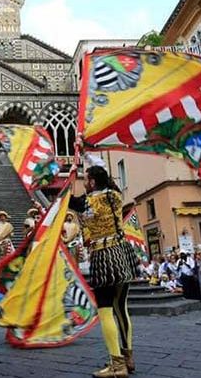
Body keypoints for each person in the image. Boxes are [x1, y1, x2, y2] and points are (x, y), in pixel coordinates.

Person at [69, 158, 136, 378]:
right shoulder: (116, 196)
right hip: (123, 253)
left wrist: (69, 179)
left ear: (93, 181)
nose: (84, 182)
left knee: (105, 310)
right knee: (122, 309)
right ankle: (128, 357)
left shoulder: (90, 201)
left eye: (86, 179)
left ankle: (117, 364)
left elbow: (69, 201)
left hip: (104, 256)